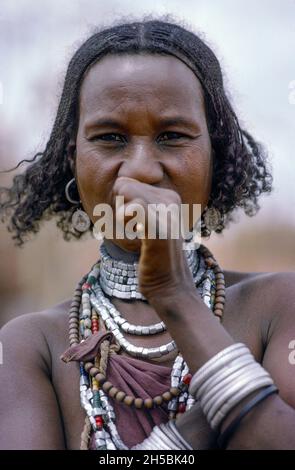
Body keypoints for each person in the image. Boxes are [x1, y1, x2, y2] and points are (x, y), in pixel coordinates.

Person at [1, 18, 295, 451]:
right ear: (74, 161)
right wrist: (195, 430)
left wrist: (173, 293)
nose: (141, 168)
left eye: (172, 136)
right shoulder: (30, 345)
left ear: (215, 154)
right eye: (111, 138)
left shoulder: (278, 307)